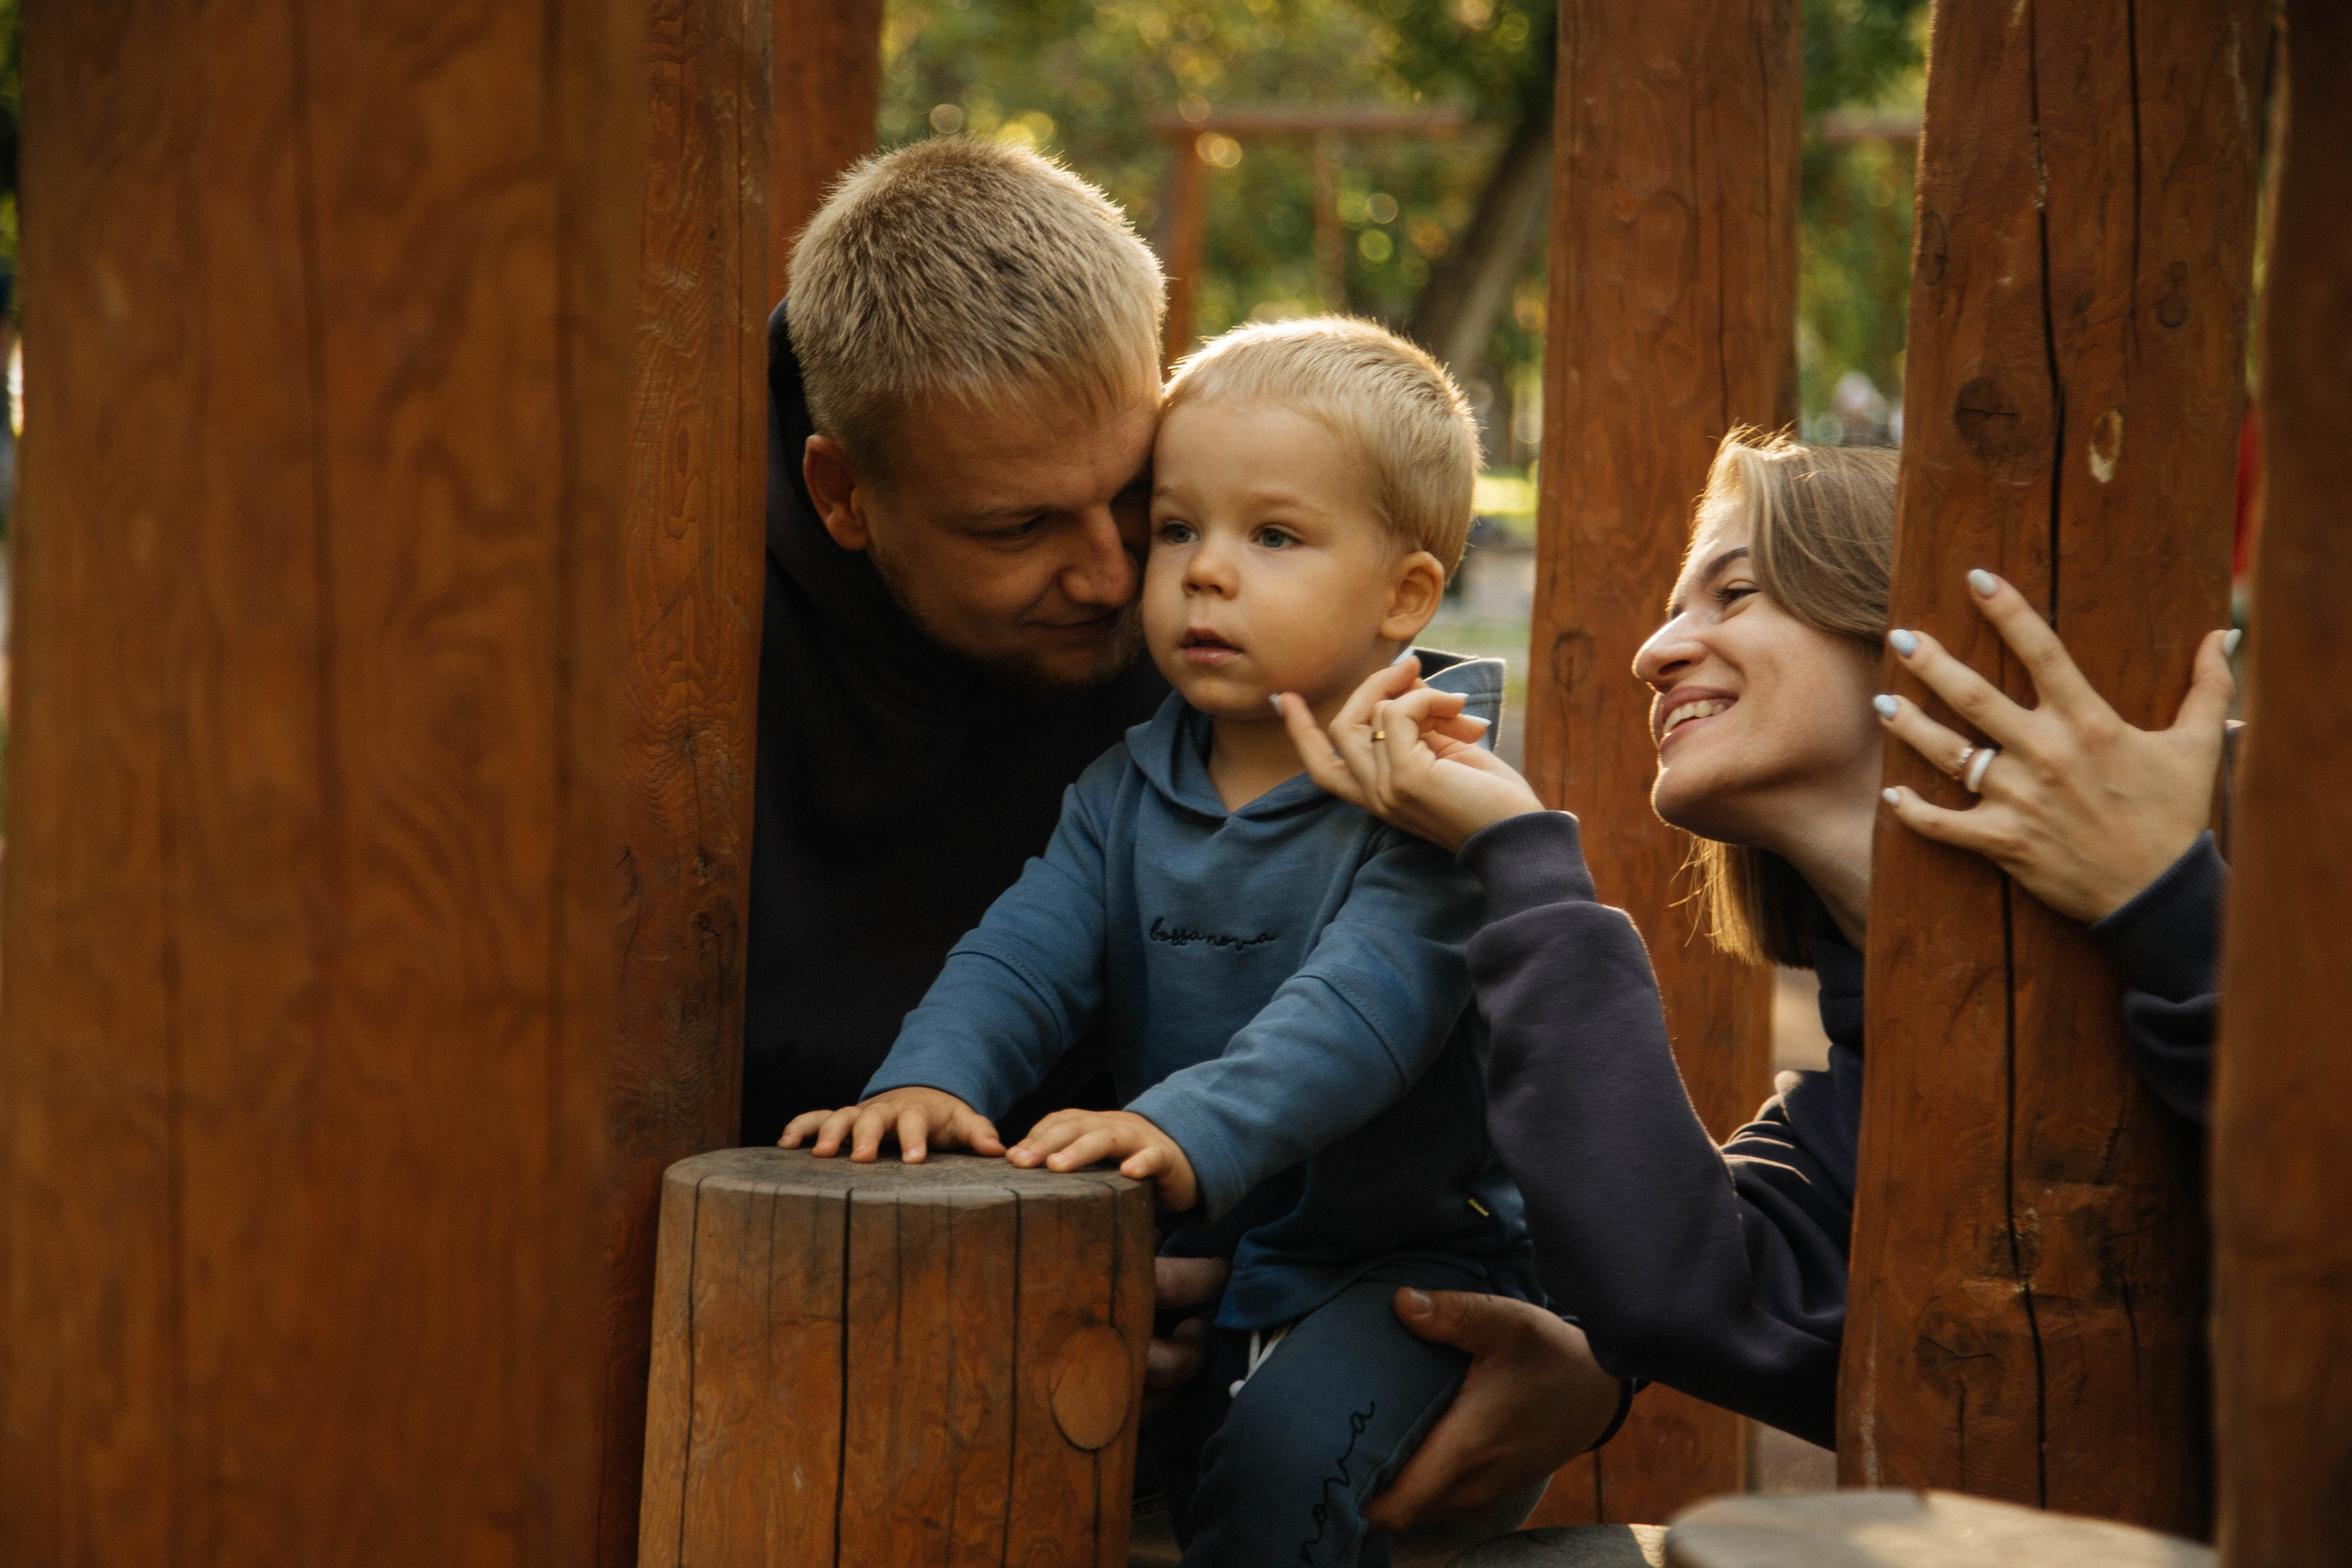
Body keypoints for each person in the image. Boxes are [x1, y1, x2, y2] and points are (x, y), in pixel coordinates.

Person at [1279, 433, 2232, 1509]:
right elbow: (1678, 1289)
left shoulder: (2262, 844)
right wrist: (1520, 859)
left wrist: (2167, 901)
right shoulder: (1859, 1096)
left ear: (1906, 627)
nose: (1652, 651)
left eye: (1733, 592)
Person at [786, 320, 1553, 1567]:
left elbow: (1360, 1012)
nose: (1204, 571)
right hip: (1194, 1252)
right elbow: (1019, 955)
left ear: (1406, 593)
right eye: (1179, 528)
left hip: (1395, 1266)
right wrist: (929, 1079)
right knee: (1005, 1448)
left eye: (1276, 536)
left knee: (1277, 1471)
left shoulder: (1436, 794)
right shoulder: (1126, 786)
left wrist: (1188, 1125)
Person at [741, 136, 1170, 1144]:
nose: (1112, 577)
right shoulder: (669, 624)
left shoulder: (1207, 582)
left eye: (1135, 491)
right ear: (841, 494)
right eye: (1018, 527)